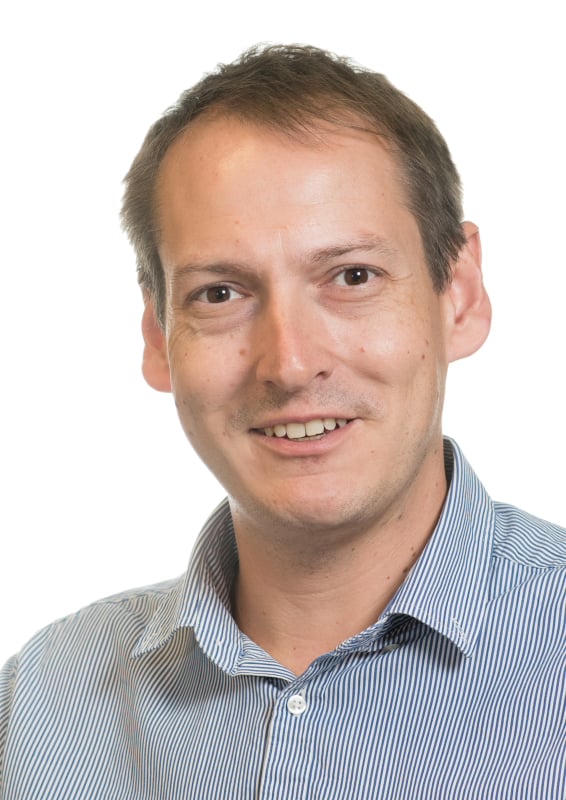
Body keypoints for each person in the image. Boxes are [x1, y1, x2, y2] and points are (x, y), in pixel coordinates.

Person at [0, 44, 563, 799]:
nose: (291, 364)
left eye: (352, 276)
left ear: (459, 294)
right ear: (159, 336)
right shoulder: (39, 702)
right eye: (220, 294)